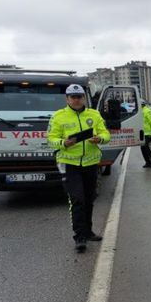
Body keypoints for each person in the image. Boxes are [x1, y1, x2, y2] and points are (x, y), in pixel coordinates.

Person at [47, 84, 111, 252]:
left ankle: (88, 231)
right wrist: (63, 143)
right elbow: (51, 138)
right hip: (70, 165)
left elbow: (106, 134)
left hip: (90, 164)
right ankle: (80, 237)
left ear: (84, 98)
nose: (76, 100)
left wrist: (100, 139)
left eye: (79, 96)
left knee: (89, 198)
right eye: (73, 97)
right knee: (77, 200)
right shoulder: (58, 117)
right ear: (67, 99)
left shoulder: (94, 114)